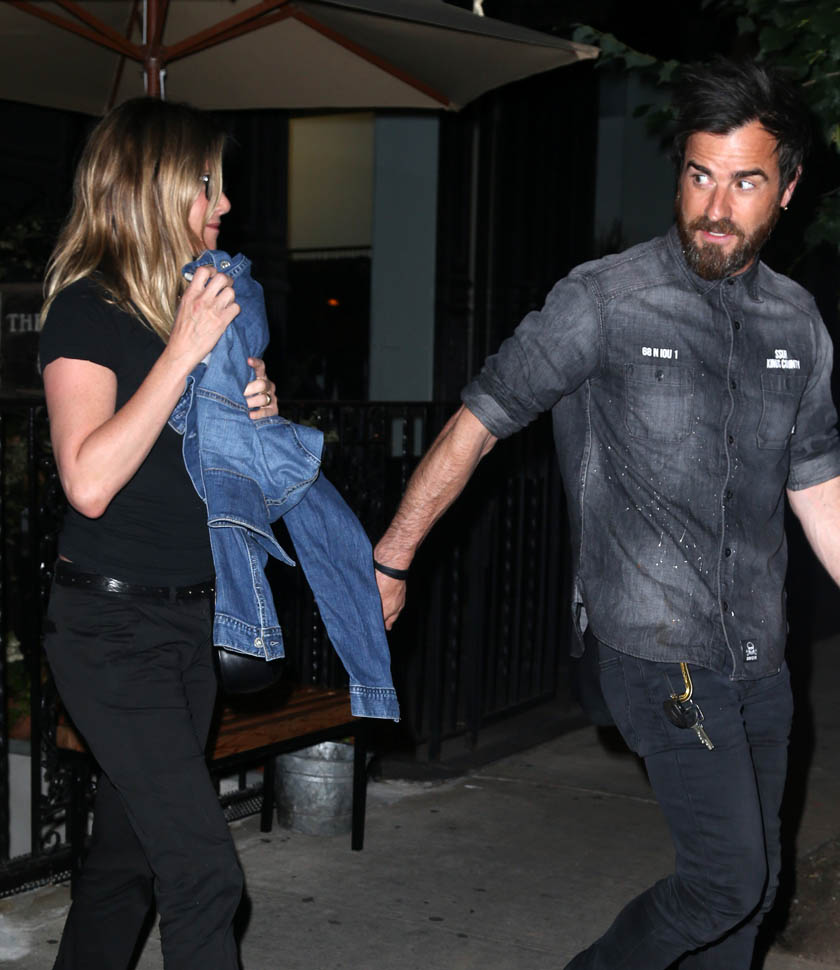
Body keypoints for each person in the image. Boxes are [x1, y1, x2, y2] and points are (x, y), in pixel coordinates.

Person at [373, 59, 840, 969]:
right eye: (699, 175)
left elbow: (817, 485)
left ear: (787, 189)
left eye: (745, 183)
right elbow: (478, 424)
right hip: (656, 646)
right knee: (726, 881)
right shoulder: (606, 299)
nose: (714, 207)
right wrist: (392, 558)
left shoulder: (798, 323)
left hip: (761, 655)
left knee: (752, 900)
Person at [38, 97, 279, 970]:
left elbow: (217, 485)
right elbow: (89, 481)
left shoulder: (188, 312)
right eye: (208, 185)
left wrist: (256, 420)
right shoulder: (87, 310)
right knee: (205, 875)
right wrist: (183, 353)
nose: (225, 205)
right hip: (110, 630)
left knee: (126, 864)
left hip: (190, 621)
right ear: (156, 187)